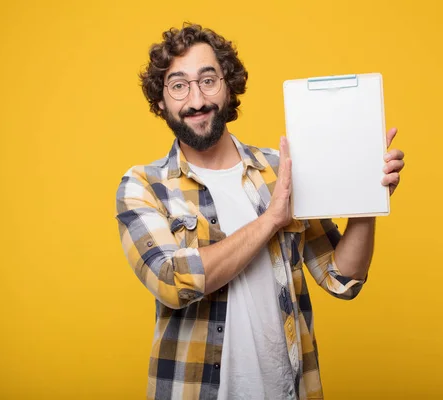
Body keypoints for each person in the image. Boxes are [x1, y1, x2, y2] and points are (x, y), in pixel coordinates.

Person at [115, 23, 405, 400]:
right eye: (178, 85)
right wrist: (271, 219)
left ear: (229, 85)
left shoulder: (280, 170)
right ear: (161, 101)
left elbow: (342, 278)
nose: (196, 99)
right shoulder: (143, 185)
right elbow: (173, 283)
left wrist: (367, 197)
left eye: (208, 80)